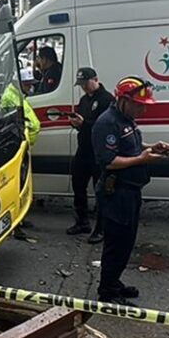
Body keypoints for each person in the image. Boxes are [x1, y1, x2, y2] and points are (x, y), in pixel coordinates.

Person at [91, 76, 169, 305]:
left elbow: (132, 146)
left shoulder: (126, 119)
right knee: (116, 244)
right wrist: (140, 159)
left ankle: (114, 281)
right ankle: (107, 291)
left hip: (131, 191)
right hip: (116, 192)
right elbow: (108, 161)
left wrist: (151, 148)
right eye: (138, 105)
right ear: (123, 100)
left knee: (127, 242)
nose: (142, 110)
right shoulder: (107, 123)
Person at [67, 67, 114, 238]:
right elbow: (83, 121)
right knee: (78, 184)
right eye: (81, 85)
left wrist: (84, 123)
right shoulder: (84, 100)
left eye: (86, 83)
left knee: (100, 190)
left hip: (98, 151)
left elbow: (105, 127)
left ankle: (101, 229)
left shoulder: (107, 100)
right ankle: (82, 222)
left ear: (95, 79)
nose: (84, 88)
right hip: (84, 149)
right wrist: (75, 122)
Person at [1, 68, 41, 147]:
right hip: (19, 144)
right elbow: (11, 124)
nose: (30, 87)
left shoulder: (19, 95)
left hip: (25, 143)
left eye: (31, 84)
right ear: (17, 83)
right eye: (27, 84)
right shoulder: (9, 97)